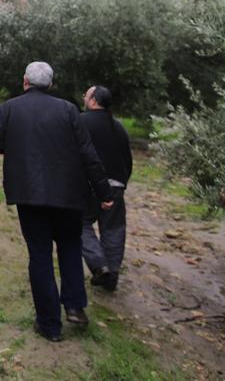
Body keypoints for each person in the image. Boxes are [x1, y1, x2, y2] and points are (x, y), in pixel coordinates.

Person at [0, 61, 113, 343]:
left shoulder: (9, 108)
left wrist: (19, 143)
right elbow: (88, 155)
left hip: (29, 195)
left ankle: (49, 325)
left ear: (25, 82)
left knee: (40, 255)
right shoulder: (69, 110)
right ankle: (75, 306)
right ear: (51, 84)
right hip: (69, 194)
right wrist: (105, 193)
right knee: (70, 246)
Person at [78, 85, 132, 293]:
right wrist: (121, 182)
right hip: (116, 186)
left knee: (79, 223)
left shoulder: (81, 121)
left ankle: (99, 265)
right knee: (114, 229)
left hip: (89, 185)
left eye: (86, 94)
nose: (84, 97)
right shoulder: (118, 127)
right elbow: (127, 158)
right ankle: (112, 275)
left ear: (93, 101)